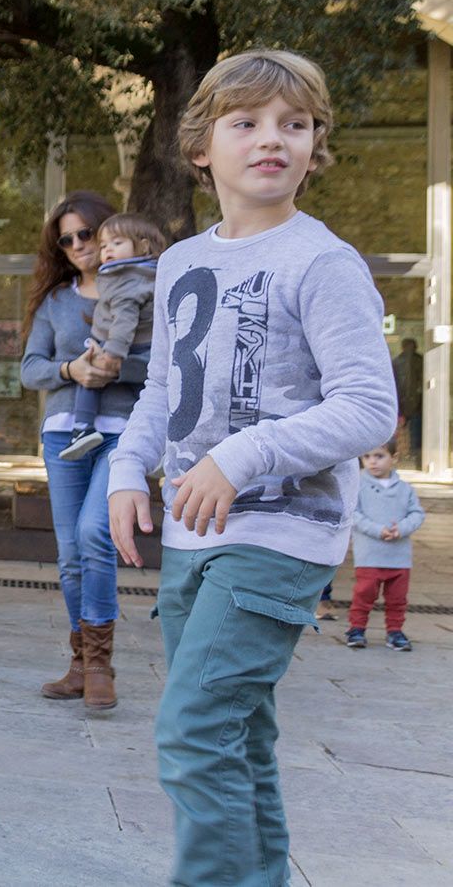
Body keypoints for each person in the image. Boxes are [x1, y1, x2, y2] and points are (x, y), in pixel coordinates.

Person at [108, 50, 396, 886]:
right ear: (201, 147)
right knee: (236, 735)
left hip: (282, 535)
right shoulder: (179, 262)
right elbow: (164, 388)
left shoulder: (323, 261)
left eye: (294, 124)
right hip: (194, 534)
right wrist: (128, 469)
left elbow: (369, 409)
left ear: (314, 145)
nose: (273, 139)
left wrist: (242, 454)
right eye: (248, 122)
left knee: (194, 731)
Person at [20, 190, 146, 711]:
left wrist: (114, 368)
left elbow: (164, 364)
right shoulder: (56, 301)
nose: (76, 245)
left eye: (85, 234)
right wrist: (71, 369)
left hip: (122, 432)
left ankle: (98, 665)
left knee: (96, 534)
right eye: (65, 239)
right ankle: (81, 663)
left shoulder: (144, 288)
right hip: (63, 434)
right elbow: (30, 369)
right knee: (70, 554)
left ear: (108, 230)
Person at [58, 212, 166, 460]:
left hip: (119, 343)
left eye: (117, 243)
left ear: (143, 246)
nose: (107, 250)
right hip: (147, 345)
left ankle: (82, 428)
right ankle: (161, 442)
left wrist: (113, 354)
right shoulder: (150, 274)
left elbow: (124, 319)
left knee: (90, 375)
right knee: (153, 396)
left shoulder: (124, 279)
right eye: (104, 244)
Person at [345, 439, 424, 651]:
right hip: (369, 555)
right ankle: (356, 628)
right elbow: (353, 514)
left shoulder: (405, 489)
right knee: (364, 595)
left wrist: (402, 529)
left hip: (399, 557)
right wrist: (378, 530)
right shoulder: (357, 486)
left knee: (397, 598)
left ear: (394, 458)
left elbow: (417, 514)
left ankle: (395, 631)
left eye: (379, 456)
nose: (372, 461)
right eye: (367, 456)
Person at [392, 338, 422, 462]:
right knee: (408, 431)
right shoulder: (420, 361)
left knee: (410, 431)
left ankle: (408, 454)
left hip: (409, 403)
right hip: (409, 403)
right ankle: (409, 454)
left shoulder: (398, 361)